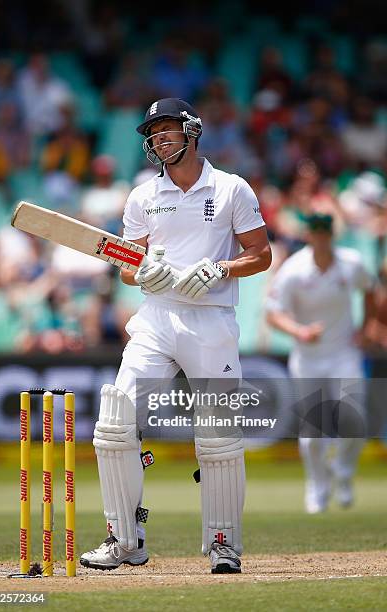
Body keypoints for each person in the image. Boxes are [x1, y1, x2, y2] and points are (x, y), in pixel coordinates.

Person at [80, 97, 272, 574]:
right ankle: (125, 538)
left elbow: (261, 254)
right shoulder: (143, 196)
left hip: (210, 320)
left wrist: (221, 267)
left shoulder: (231, 189)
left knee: (219, 436)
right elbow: (126, 266)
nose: (159, 138)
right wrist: (145, 275)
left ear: (192, 130)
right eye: (153, 132)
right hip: (157, 318)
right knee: (115, 420)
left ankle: (224, 544)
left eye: (167, 128)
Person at [265, 212, 376, 514]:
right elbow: (273, 313)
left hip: (344, 354)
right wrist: (299, 331)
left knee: (355, 424)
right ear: (309, 236)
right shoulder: (294, 270)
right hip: (308, 359)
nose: (321, 238)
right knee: (313, 431)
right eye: (316, 233)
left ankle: (342, 472)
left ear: (331, 235)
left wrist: (366, 328)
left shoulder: (351, 263)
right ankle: (317, 487)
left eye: (326, 233)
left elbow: (370, 290)